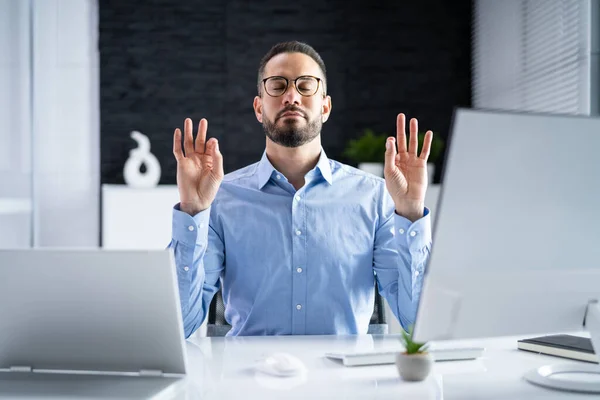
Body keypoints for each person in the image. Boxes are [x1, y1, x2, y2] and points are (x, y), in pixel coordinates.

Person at [169, 41, 433, 338]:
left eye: (306, 86)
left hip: (344, 381)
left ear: (325, 106)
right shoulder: (221, 198)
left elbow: (416, 321)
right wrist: (192, 211)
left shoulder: (374, 197)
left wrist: (410, 212)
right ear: (258, 107)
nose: (291, 96)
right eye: (278, 85)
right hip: (247, 379)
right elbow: (181, 325)